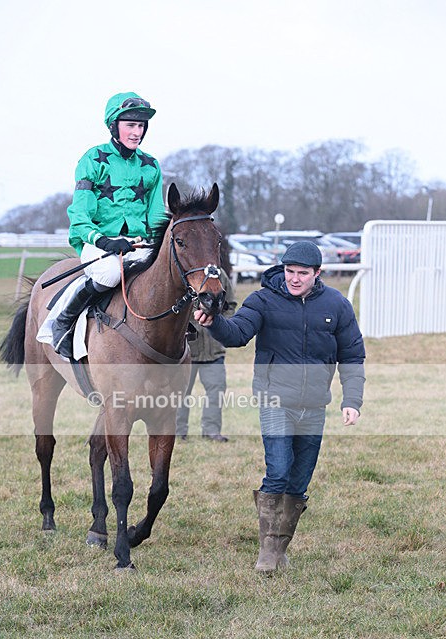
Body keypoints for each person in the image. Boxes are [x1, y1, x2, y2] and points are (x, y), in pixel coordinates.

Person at [194, 241, 365, 573]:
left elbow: (353, 356)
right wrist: (213, 322)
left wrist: (352, 401)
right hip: (274, 400)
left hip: (314, 406)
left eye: (303, 273)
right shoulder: (263, 300)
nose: (295, 278)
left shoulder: (337, 305)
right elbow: (237, 333)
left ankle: (280, 547)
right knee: (279, 471)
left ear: (318, 273)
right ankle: (268, 553)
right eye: (290, 271)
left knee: (299, 481)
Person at [37, 91, 166, 359]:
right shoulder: (93, 159)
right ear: (114, 126)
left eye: (141, 126)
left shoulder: (151, 165)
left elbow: (156, 215)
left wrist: (159, 242)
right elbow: (80, 215)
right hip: (96, 243)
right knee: (109, 274)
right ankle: (63, 321)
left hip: (138, 243)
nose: (136, 132)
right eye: (130, 125)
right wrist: (103, 240)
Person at [176, 267, 236, 442]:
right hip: (185, 349)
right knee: (181, 393)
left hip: (214, 350)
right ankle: (178, 432)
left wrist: (221, 324)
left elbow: (230, 304)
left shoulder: (218, 274)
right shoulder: (183, 274)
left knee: (216, 390)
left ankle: (211, 431)